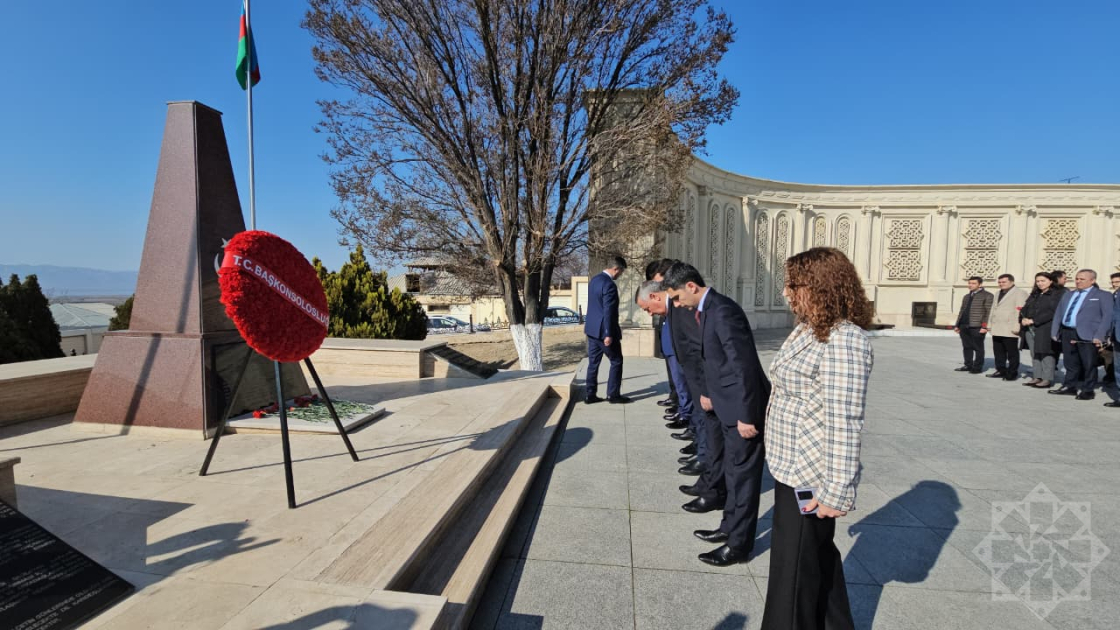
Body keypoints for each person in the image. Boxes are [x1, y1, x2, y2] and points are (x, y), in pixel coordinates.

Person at [760, 247, 874, 630]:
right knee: (815, 560)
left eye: (795, 284)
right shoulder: (811, 328)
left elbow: (844, 421)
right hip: (789, 466)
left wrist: (837, 490)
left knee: (792, 576)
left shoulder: (845, 340)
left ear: (823, 287)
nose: (786, 292)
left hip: (810, 477)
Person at [663, 262, 770, 567]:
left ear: (691, 287)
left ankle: (738, 545)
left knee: (743, 480)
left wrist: (748, 416)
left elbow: (743, 365)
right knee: (734, 476)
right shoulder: (706, 310)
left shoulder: (722, 311)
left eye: (676, 297)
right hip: (726, 407)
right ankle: (728, 527)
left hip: (741, 412)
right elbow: (714, 361)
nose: (676, 304)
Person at [635, 281, 699, 475]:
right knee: (683, 391)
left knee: (690, 396)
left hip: (692, 366)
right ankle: (699, 443)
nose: (650, 313)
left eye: (647, 308)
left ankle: (701, 448)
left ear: (654, 296)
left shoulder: (682, 307)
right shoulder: (671, 308)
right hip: (678, 356)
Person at [1050, 269, 1114, 400]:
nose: (1078, 281)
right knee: (1070, 362)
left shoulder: (1102, 295)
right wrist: (1055, 330)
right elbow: (1059, 313)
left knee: (1089, 364)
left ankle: (1088, 389)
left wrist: (1100, 335)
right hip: (1068, 331)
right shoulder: (1068, 294)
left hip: (1088, 334)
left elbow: (1108, 317)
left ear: (1092, 280)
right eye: (1077, 278)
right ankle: (1070, 386)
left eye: (1082, 279)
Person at [584, 256, 630, 404]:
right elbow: (608, 311)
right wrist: (608, 334)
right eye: (621, 272)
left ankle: (590, 395)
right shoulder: (609, 285)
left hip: (591, 331)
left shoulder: (595, 280)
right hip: (605, 332)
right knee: (617, 361)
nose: (620, 275)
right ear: (616, 268)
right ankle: (613, 394)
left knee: (593, 363)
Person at [1019, 273, 1062, 389]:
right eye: (1038, 281)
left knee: (1046, 353)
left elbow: (1053, 312)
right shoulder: (1035, 294)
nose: (1040, 283)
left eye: (1043, 281)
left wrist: (1034, 320)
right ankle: (1037, 376)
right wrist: (1023, 318)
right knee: (1035, 353)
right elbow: (1025, 308)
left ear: (1050, 281)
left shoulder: (1056, 294)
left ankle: (1047, 378)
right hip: (1030, 328)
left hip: (1045, 328)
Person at [646, 259, 678, 414]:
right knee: (672, 373)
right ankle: (674, 397)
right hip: (667, 336)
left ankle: (680, 406)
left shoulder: (675, 294)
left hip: (675, 340)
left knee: (679, 378)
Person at [986, 274, 1027, 381]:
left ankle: (1012, 372)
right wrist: (989, 324)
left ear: (1011, 282)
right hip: (997, 326)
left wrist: (1017, 326)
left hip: (1009, 327)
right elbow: (993, 309)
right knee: (998, 351)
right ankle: (1001, 369)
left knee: (1011, 352)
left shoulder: (1019, 293)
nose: (1001, 284)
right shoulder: (998, 293)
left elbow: (1020, 311)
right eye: (999, 282)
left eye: (1004, 282)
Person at [953, 276, 993, 374]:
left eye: (973, 283)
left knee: (978, 348)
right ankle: (968, 364)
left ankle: (978, 367)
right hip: (964, 325)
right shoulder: (966, 296)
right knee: (966, 347)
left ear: (980, 284)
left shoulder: (987, 295)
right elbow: (962, 311)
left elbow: (988, 312)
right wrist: (957, 325)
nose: (970, 285)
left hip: (977, 326)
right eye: (969, 283)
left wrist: (984, 326)